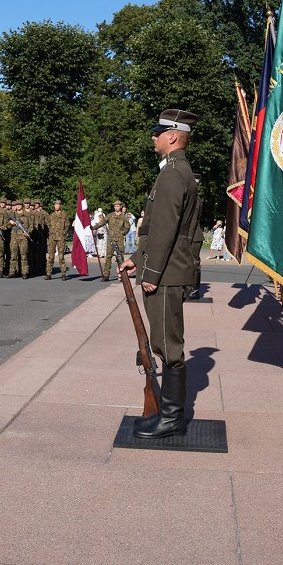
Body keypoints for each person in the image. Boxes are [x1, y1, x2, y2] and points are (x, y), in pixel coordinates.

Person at [118, 109, 202, 440]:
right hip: (166, 268)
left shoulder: (172, 174)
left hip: (166, 273)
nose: (153, 138)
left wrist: (150, 271)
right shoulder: (177, 172)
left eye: (157, 133)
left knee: (167, 344)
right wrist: (139, 258)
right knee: (163, 341)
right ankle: (169, 414)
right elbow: (160, 229)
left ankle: (172, 417)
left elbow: (166, 229)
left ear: (171, 137)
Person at [91, 200, 131, 280]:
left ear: (120, 207)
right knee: (108, 257)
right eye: (115, 206)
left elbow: (127, 227)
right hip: (111, 239)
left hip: (119, 239)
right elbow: (102, 222)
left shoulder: (124, 217)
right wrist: (94, 227)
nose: (116, 207)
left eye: (118, 206)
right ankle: (106, 275)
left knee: (120, 258)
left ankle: (122, 275)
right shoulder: (110, 215)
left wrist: (122, 233)